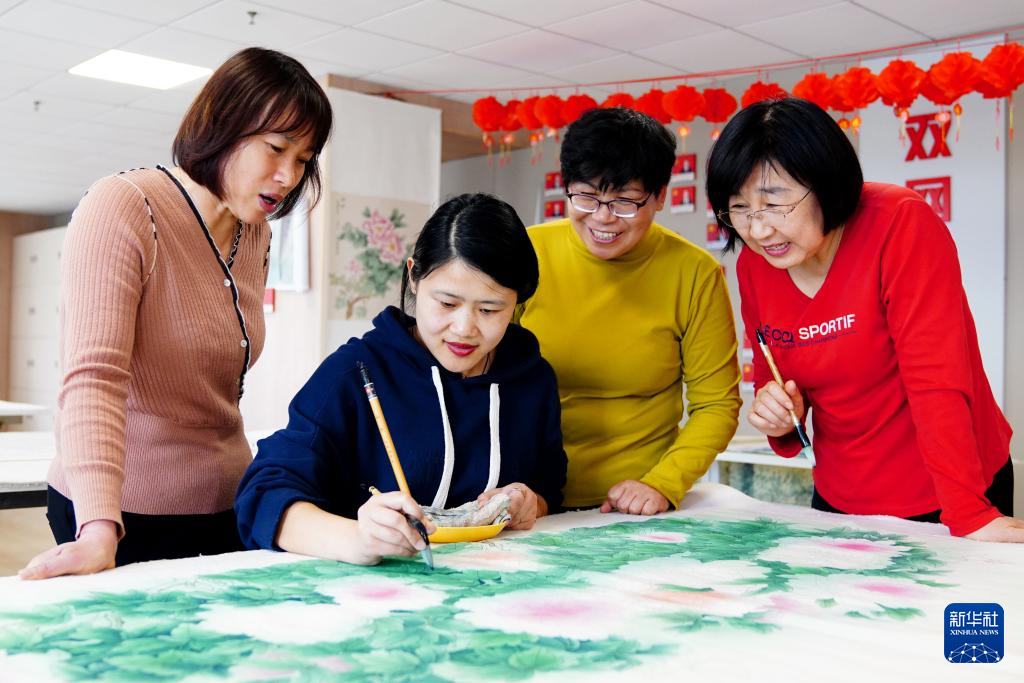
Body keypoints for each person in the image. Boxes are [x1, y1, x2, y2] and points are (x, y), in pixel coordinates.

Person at [20, 48, 334, 580]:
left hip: (225, 504)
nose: (288, 175)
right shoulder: (124, 206)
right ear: (224, 126)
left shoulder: (256, 232)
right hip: (120, 512)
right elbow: (94, 378)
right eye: (277, 148)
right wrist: (98, 527)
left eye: (303, 159)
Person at [706, 96, 1021, 541]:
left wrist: (969, 513)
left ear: (825, 183)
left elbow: (936, 381)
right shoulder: (756, 264)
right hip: (841, 496)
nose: (758, 230)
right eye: (739, 209)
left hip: (949, 490)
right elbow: (772, 376)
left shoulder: (898, 223)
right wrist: (780, 416)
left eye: (775, 204)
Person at [235, 193, 567, 565]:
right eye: (447, 303)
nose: (464, 328)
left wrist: (529, 503)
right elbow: (263, 495)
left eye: (489, 310)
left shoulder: (532, 380)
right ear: (414, 276)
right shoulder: (356, 373)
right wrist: (358, 539)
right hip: (372, 589)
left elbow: (549, 487)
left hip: (496, 583)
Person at [517, 107, 742, 515]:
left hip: (636, 504)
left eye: (624, 201)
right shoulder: (525, 254)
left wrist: (661, 483)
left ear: (660, 196)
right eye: (586, 197)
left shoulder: (695, 273)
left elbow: (716, 405)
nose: (603, 217)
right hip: (525, 495)